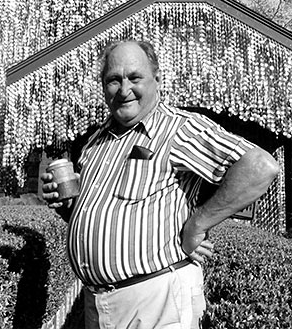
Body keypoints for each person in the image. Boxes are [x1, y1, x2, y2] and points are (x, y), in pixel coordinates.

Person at [40, 40, 280, 329]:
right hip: (98, 305)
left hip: (156, 301)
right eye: (113, 80)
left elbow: (259, 167)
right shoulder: (96, 142)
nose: (124, 89)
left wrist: (198, 225)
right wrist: (70, 207)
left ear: (157, 80)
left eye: (134, 77)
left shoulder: (178, 128)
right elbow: (104, 214)